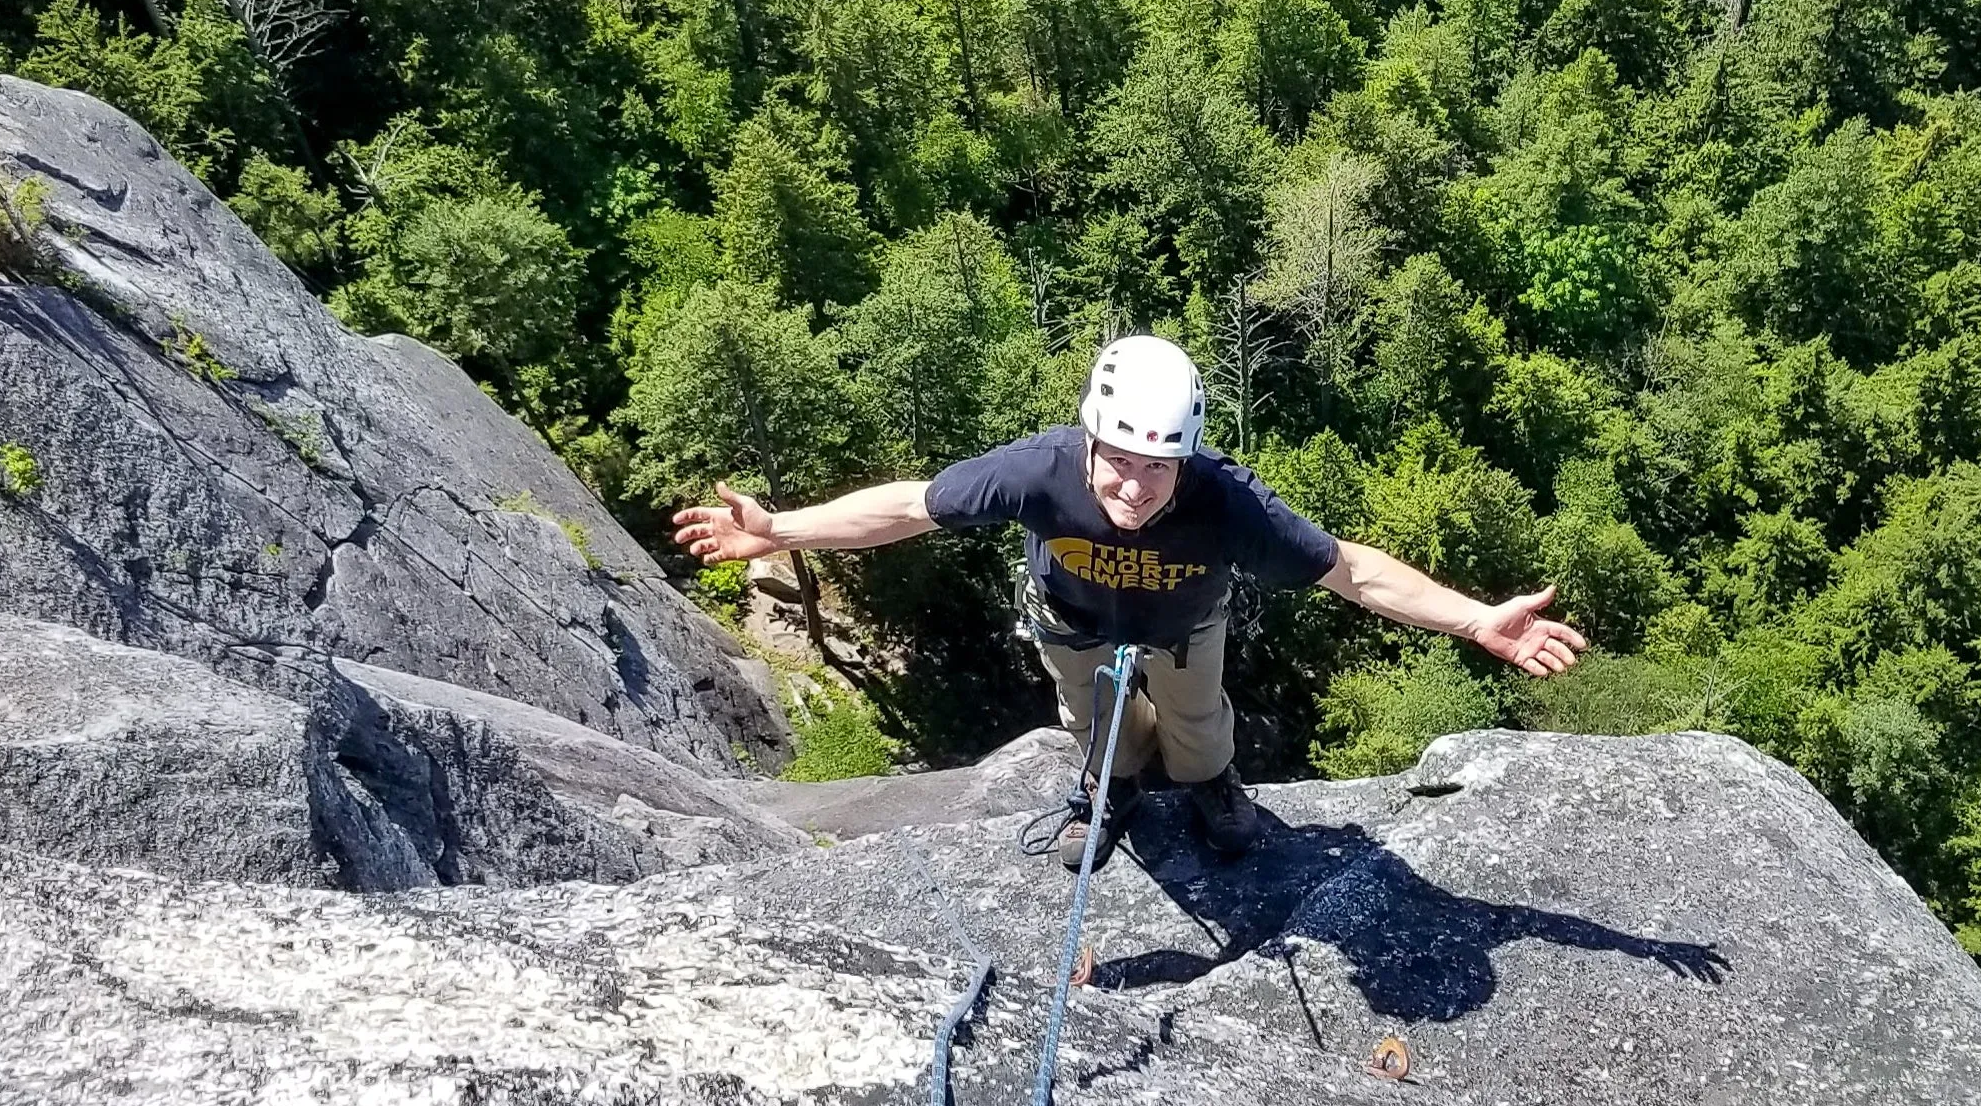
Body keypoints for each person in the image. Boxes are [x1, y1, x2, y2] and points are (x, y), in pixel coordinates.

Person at [673, 335, 1588, 865]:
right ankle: (1110, 791)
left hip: (1188, 631)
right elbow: (910, 505)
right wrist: (782, 530)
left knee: (1198, 724)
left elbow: (1351, 570)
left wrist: (1475, 619)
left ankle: (1208, 788)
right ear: (1090, 439)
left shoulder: (1224, 501)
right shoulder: (1037, 472)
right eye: (1120, 460)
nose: (1137, 487)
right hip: (1072, 625)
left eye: (1159, 467)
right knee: (1095, 718)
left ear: (1184, 458)